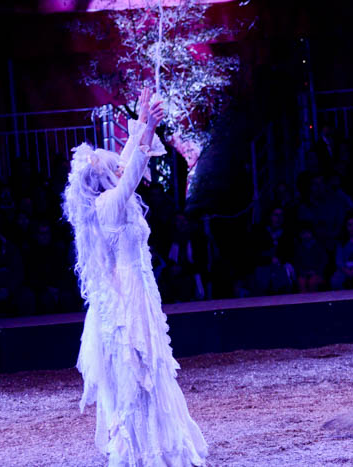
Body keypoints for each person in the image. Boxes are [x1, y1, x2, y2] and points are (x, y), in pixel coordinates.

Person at [63, 88, 207, 466]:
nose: (117, 169)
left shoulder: (105, 200)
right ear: (103, 181)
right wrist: (151, 128)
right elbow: (132, 174)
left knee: (146, 372)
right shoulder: (109, 205)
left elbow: (126, 166)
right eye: (111, 170)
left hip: (134, 288)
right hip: (127, 297)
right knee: (135, 373)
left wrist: (143, 120)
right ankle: (135, 451)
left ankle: (148, 445)